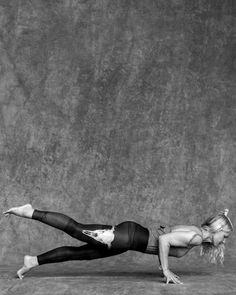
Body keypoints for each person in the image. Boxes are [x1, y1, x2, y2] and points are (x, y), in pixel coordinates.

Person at [2, 205, 233, 284]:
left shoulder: (193, 232)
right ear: (217, 230)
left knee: (81, 254)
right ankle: (30, 211)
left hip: (127, 239)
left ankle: (32, 261)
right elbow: (163, 239)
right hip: (124, 237)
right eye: (226, 236)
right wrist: (165, 269)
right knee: (75, 228)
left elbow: (165, 231)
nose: (224, 241)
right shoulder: (193, 236)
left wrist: (160, 250)